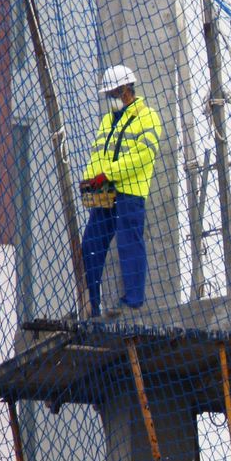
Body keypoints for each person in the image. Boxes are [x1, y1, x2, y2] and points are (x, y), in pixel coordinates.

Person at [79, 65, 163, 317]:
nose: (110, 98)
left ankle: (133, 301)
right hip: (106, 192)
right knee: (91, 244)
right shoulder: (108, 120)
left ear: (126, 89)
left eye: (113, 93)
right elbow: (98, 153)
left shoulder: (148, 117)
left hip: (130, 193)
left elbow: (142, 156)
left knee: (129, 242)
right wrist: (90, 179)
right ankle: (92, 305)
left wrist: (108, 174)